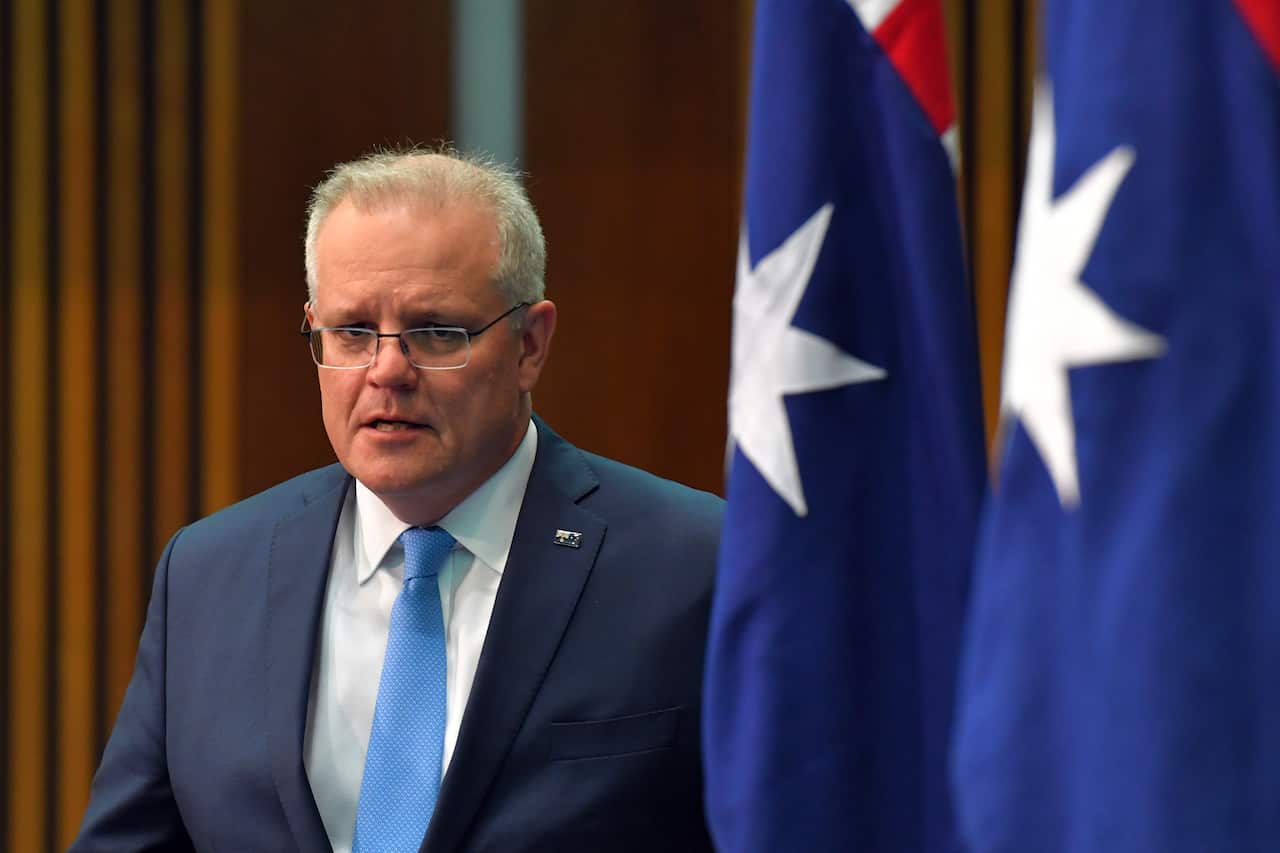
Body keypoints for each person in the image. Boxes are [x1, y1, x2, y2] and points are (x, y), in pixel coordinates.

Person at [72, 148, 723, 852]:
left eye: (437, 332)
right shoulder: (209, 572)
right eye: (352, 332)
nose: (386, 370)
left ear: (530, 345)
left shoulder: (696, 566)